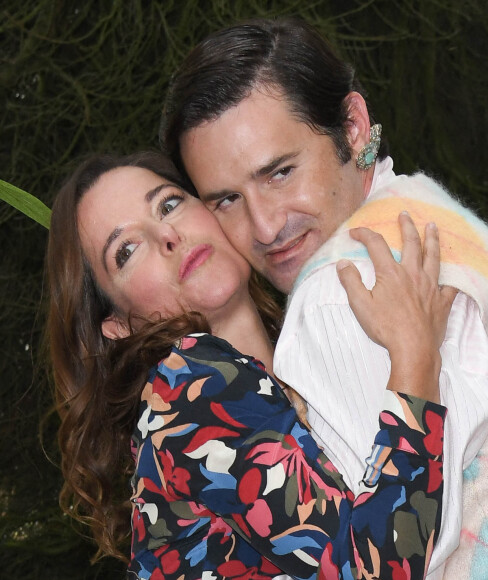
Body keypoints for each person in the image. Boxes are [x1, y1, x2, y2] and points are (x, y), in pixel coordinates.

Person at [160, 17, 488, 578]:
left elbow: (396, 561)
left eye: (280, 173)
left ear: (353, 127)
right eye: (226, 200)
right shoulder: (424, 208)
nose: (264, 226)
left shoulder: (339, 291)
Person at [46, 151, 455, 580]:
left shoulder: (293, 365)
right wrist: (415, 354)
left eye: (168, 204)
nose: (167, 234)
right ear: (117, 326)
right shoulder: (189, 387)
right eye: (126, 250)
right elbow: (375, 570)